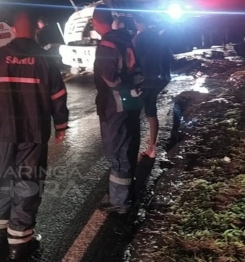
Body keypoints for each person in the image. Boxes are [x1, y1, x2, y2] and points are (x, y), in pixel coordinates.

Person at [0, 11, 69, 260]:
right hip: (33, 134)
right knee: (27, 185)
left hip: (2, 134)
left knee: (1, 181)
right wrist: (60, 126)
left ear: (12, 29)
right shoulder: (45, 59)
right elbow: (58, 96)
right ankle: (19, 244)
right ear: (35, 30)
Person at [93, 5, 143, 214]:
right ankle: (123, 194)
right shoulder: (125, 39)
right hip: (131, 102)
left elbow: (110, 78)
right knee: (128, 146)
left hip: (115, 106)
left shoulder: (107, 44)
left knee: (117, 151)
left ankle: (121, 203)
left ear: (96, 21)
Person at [133, 14, 168, 159]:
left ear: (137, 22)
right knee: (151, 113)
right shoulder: (157, 36)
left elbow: (134, 60)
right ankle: (152, 148)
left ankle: (132, 148)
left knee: (134, 115)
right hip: (156, 79)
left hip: (143, 81)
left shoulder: (139, 38)